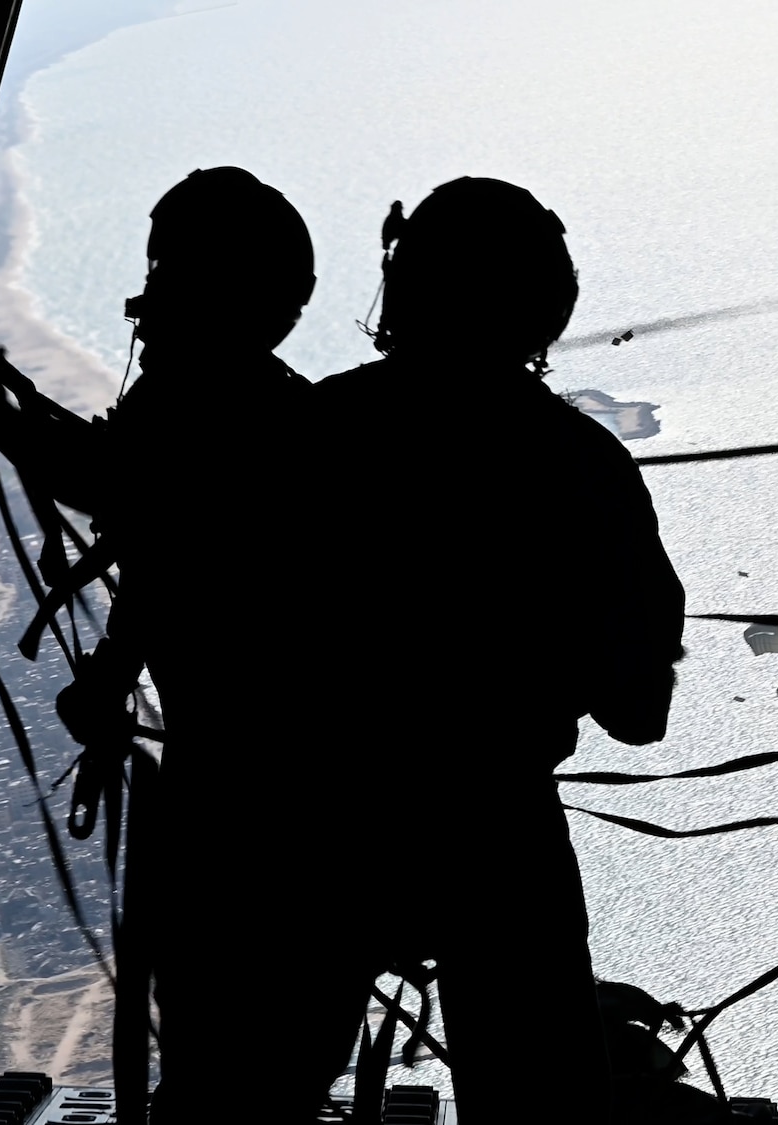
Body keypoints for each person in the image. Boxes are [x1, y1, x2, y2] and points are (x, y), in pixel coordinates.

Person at [0, 167, 356, 1122]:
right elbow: (173, 544)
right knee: (266, 1058)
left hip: (247, 791)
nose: (146, 303)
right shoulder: (278, 410)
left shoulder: (209, 404)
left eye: (166, 272)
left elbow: (133, 489)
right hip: (310, 797)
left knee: (217, 1049)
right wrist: (116, 670)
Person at [308, 176, 685, 1122]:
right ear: (546, 306)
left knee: (244, 1095)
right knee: (540, 1110)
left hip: (316, 822)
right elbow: (638, 710)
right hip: (494, 827)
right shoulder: (579, 465)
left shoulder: (309, 434)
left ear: (404, 290)